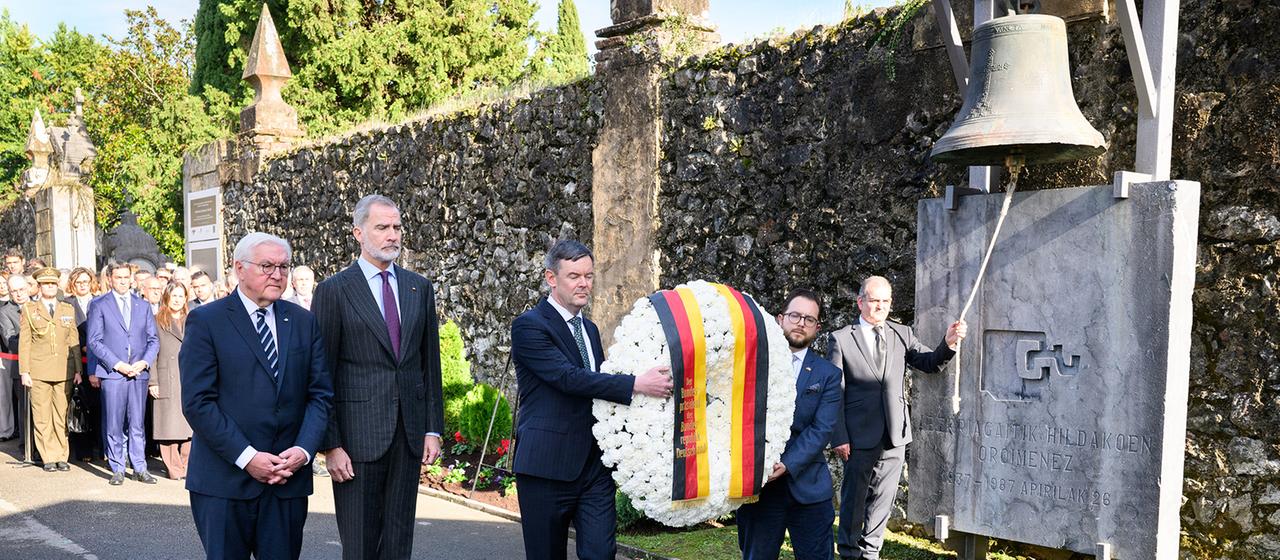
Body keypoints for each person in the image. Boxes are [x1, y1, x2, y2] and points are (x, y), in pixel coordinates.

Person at [511, 239, 672, 560]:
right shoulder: (528, 326)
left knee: (601, 553)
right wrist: (637, 384)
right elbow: (567, 378)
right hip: (545, 467)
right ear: (551, 278)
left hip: (594, 469)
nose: (584, 283)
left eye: (588, 275)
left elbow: (597, 389)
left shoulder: (590, 328)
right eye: (574, 276)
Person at [181, 232, 333, 560]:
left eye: (283, 267)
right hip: (224, 483)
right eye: (266, 266)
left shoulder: (304, 322)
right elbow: (198, 401)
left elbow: (320, 395)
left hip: (286, 481)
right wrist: (248, 457)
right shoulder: (207, 321)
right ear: (239, 268)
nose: (277, 275)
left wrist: (304, 450)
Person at [311, 195, 443, 560]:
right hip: (357, 441)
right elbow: (321, 374)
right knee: (361, 545)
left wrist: (433, 428)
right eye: (382, 227)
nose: (392, 235)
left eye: (397, 227)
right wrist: (331, 444)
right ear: (358, 232)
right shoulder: (334, 290)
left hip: (409, 435)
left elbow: (428, 364)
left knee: (399, 543)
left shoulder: (419, 288)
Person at [828, 276, 966, 560]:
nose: (880, 306)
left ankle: (871, 552)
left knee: (884, 499)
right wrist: (839, 436)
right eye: (874, 300)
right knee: (854, 499)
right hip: (857, 436)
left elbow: (928, 362)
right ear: (860, 302)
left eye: (885, 301)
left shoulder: (902, 333)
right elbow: (834, 392)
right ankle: (849, 552)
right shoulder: (841, 339)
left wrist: (948, 343)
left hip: (895, 435)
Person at [736, 289, 843, 560]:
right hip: (759, 491)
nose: (801, 323)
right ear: (780, 318)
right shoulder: (749, 364)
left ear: (817, 328)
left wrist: (788, 464)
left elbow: (821, 429)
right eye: (795, 315)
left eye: (809, 319)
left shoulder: (828, 374)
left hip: (807, 487)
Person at [87, 262, 160, 486]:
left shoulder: (142, 305)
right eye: (118, 277)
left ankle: (140, 466)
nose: (122, 281)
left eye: (126, 277)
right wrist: (117, 364)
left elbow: (153, 340)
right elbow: (94, 341)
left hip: (138, 373)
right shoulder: (99, 304)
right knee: (114, 422)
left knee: (137, 422)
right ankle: (117, 467)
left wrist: (144, 362)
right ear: (110, 279)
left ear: (131, 278)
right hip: (113, 373)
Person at [18, 267, 83, 472]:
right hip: (38, 370)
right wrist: (24, 371)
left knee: (61, 414)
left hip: (64, 369)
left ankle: (62, 455)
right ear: (39, 286)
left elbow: (73, 340)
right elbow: (25, 343)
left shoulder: (67, 309)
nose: (50, 287)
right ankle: (48, 456)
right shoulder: (29, 309)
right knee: (42, 415)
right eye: (46, 284)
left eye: (53, 284)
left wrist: (78, 370)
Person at [150, 282, 192, 479]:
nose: (177, 300)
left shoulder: (193, 319)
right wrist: (153, 381)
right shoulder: (157, 320)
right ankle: (174, 469)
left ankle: (187, 466)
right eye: (173, 295)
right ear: (166, 297)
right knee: (168, 426)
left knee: (190, 425)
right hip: (167, 375)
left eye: (180, 296)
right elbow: (151, 353)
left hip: (189, 376)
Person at [64, 267, 101, 462]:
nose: (83, 286)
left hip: (99, 360)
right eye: (79, 282)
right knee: (79, 406)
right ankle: (83, 450)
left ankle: (99, 447)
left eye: (86, 282)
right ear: (73, 284)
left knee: (97, 406)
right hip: (78, 360)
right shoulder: (67, 304)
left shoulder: (100, 301)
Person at [1, 275, 32, 446]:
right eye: (14, 291)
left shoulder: (38, 304)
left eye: (21, 289)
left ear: (28, 287)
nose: (19, 294)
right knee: (25, 409)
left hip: (44, 365)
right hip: (20, 366)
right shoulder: (5, 312)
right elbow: (9, 340)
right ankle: (27, 446)